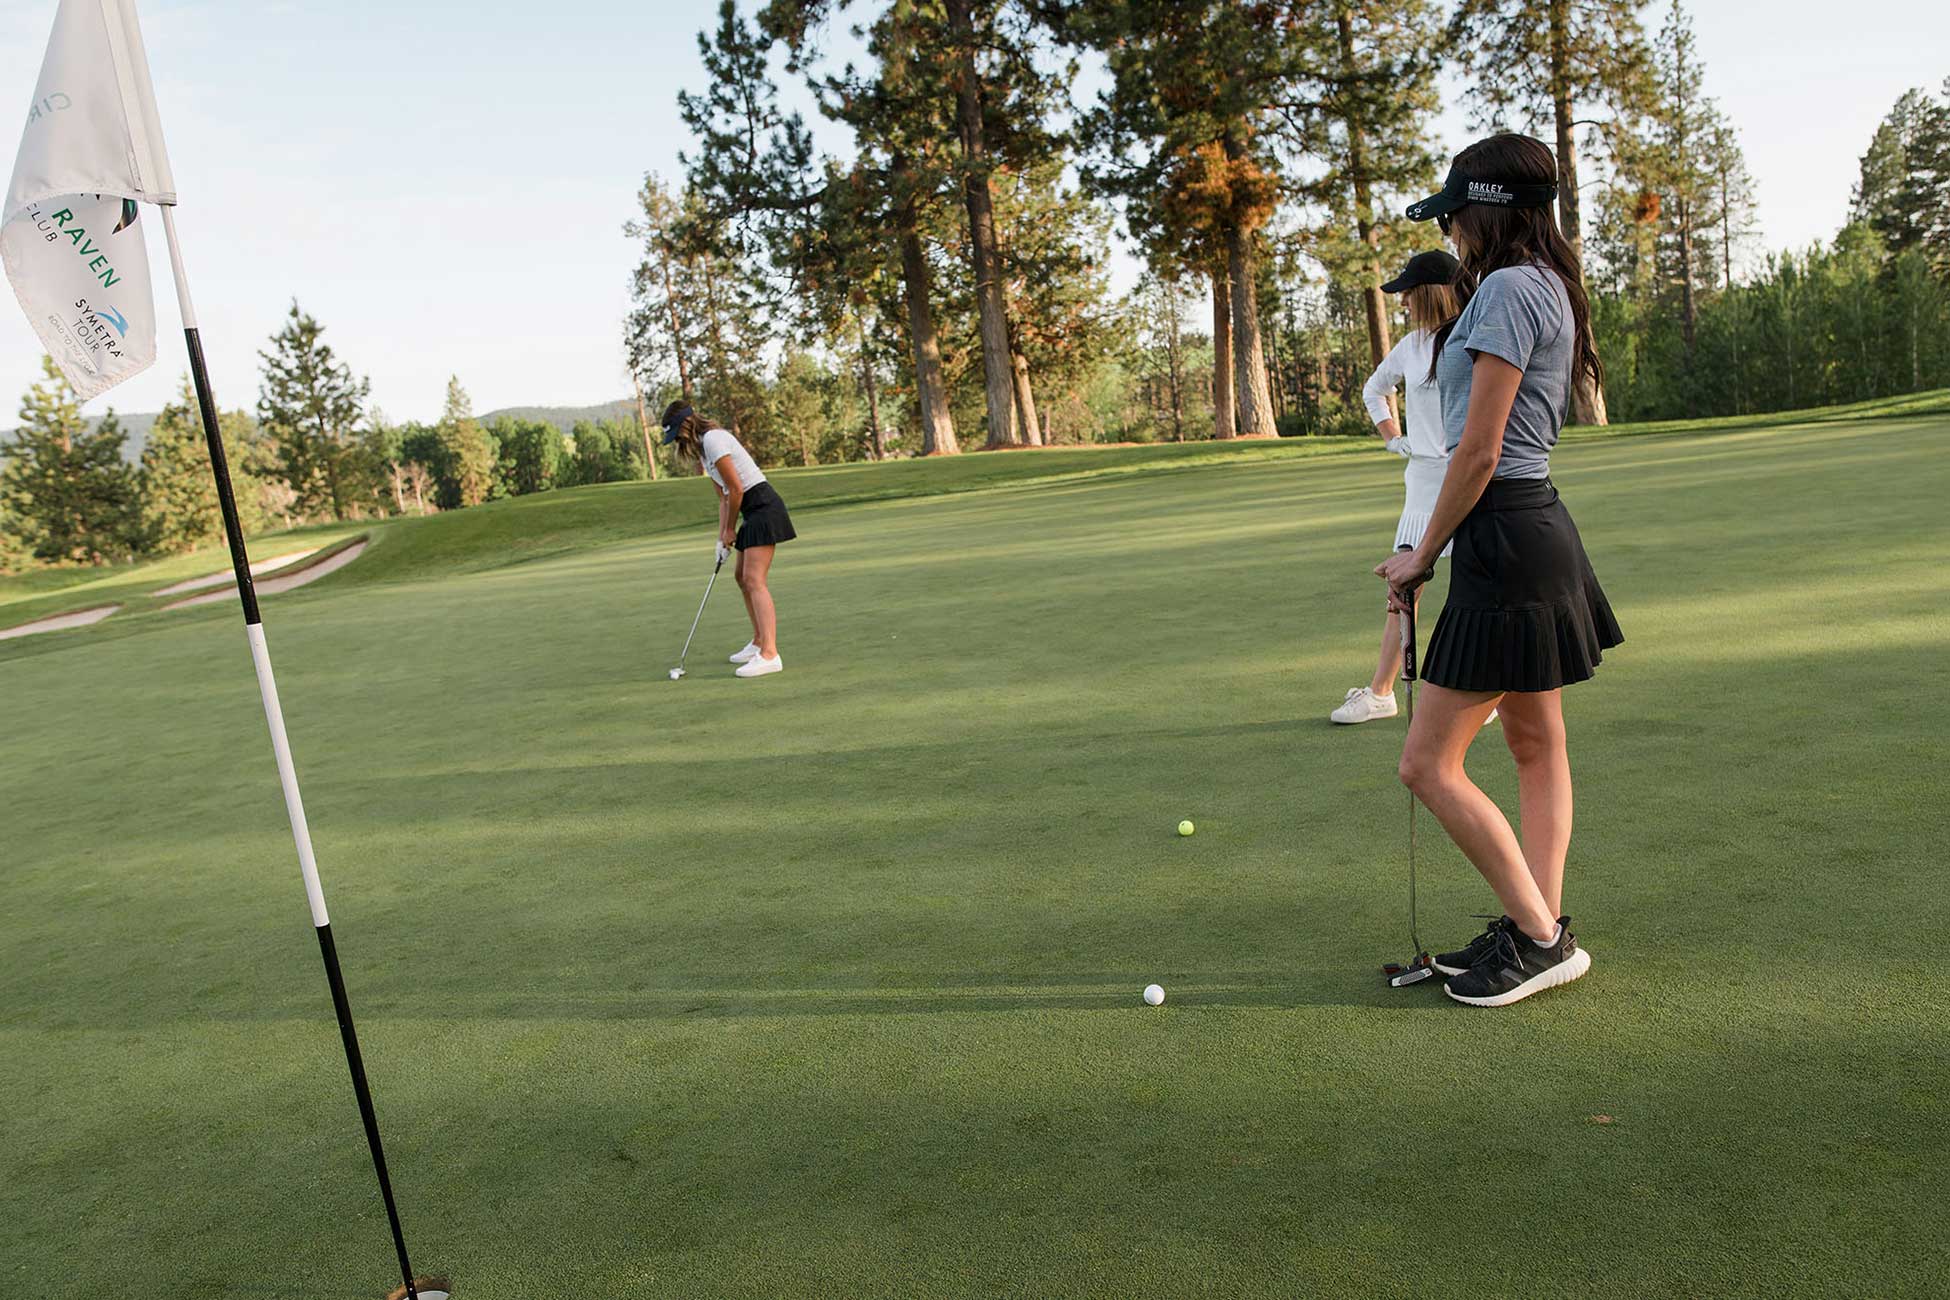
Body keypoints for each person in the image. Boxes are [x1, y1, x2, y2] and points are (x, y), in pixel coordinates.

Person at [1375, 133, 1624, 1008]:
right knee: (1532, 743)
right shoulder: (1543, 281)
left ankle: (1542, 936)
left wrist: (1421, 552)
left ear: (1484, 210)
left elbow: (1477, 452)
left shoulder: (1509, 289)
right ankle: (1533, 925)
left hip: (1504, 536)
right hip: (1533, 529)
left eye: (1456, 215)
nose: (1456, 233)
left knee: (1426, 764)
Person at [1332, 249, 1470, 726]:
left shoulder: (1472, 335)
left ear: (1430, 293)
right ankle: (1382, 693)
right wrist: (1393, 437)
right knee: (1404, 587)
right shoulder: (1411, 345)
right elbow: (1375, 389)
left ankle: (1483, 692)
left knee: (1480, 585)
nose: (1404, 303)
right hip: (1423, 481)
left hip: (1469, 477)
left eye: (1409, 294)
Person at [661, 403, 797, 678]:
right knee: (741, 576)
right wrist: (722, 537)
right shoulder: (703, 452)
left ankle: (770, 654)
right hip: (750, 510)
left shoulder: (714, 439)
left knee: (754, 579)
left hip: (763, 506)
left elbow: (736, 488)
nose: (677, 440)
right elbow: (724, 497)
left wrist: (731, 529)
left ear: (687, 425)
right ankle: (759, 642)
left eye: (677, 433)